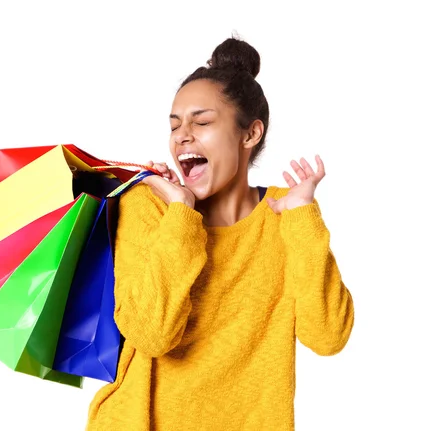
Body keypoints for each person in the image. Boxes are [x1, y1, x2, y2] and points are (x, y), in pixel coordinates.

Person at [86, 36, 354, 431]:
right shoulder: (152, 206)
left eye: (202, 122)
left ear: (250, 134)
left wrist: (302, 219)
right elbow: (152, 334)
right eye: (175, 125)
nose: (182, 136)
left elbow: (328, 336)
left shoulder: (288, 214)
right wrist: (181, 215)